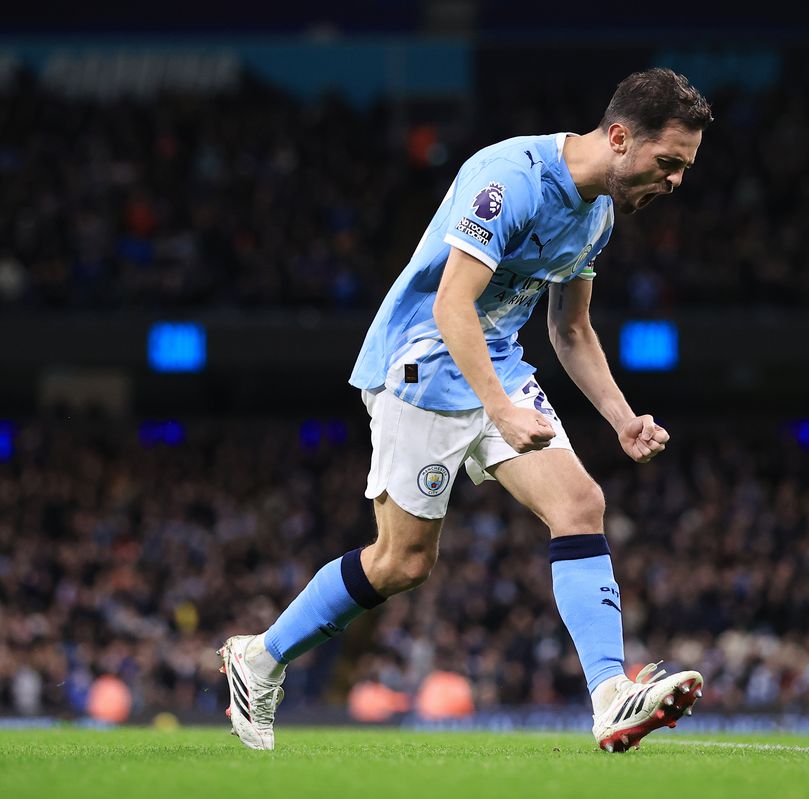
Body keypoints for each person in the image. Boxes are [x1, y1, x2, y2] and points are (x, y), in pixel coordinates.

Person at [220, 67, 713, 752]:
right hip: (420, 363)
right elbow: (452, 304)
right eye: (668, 163)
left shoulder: (597, 214)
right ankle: (260, 657)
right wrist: (500, 410)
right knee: (403, 562)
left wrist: (621, 417)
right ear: (622, 137)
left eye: (683, 169)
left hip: (497, 363)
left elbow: (570, 331)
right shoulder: (508, 176)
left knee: (580, 504)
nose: (675, 182)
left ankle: (609, 697)